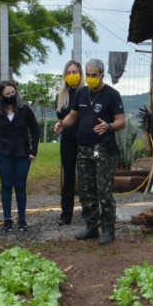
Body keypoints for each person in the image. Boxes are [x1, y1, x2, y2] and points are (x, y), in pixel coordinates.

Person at [56, 58, 125, 245]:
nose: (90, 78)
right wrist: (62, 124)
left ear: (102, 75)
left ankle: (108, 228)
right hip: (84, 147)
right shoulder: (82, 93)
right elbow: (72, 115)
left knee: (104, 191)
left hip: (104, 148)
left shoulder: (112, 95)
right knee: (86, 190)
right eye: (88, 75)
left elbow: (121, 120)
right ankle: (91, 226)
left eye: (94, 75)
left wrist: (109, 126)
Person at [0, 80, 40, 233]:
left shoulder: (25, 110)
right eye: (7, 94)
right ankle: (7, 220)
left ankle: (22, 219)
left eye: (13, 93)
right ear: (1, 96)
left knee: (20, 186)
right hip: (4, 155)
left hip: (22, 155)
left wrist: (33, 150)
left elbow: (35, 130)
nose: (11, 96)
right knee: (6, 186)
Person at [53, 60, 83, 226]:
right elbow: (60, 120)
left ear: (81, 74)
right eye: (69, 72)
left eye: (75, 72)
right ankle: (66, 214)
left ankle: (89, 211)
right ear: (65, 76)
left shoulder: (86, 93)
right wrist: (58, 126)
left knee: (86, 177)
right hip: (68, 140)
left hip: (85, 140)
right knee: (69, 177)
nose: (72, 76)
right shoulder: (60, 97)